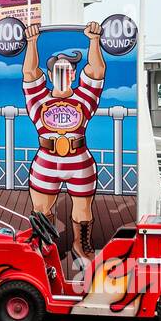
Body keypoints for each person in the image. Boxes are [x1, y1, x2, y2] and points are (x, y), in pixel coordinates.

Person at [21, 21, 106, 259]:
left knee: (83, 210)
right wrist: (31, 42)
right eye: (57, 70)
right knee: (41, 209)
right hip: (46, 160)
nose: (62, 73)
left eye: (67, 69)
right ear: (49, 74)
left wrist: (94, 40)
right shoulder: (38, 99)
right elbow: (29, 73)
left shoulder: (84, 97)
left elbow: (97, 70)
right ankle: (45, 247)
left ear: (73, 74)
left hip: (79, 161)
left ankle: (81, 246)